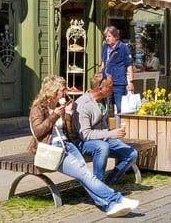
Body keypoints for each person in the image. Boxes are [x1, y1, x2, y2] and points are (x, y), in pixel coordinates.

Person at [29, 75, 137, 218]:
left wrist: (68, 114)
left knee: (85, 176)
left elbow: (69, 132)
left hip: (67, 145)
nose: (66, 92)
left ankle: (109, 206)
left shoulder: (60, 105)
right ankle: (117, 199)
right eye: (63, 90)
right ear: (53, 91)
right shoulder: (38, 108)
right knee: (85, 175)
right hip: (53, 149)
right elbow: (38, 131)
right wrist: (54, 115)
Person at [72, 74, 138, 185]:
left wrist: (112, 132)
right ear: (100, 89)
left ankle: (107, 184)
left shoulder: (105, 99)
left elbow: (104, 124)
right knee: (102, 147)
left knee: (131, 154)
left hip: (104, 138)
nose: (113, 89)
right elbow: (85, 135)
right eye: (111, 86)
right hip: (83, 142)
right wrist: (111, 134)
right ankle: (97, 186)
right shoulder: (83, 105)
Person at [100, 26, 134, 128]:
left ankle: (120, 128)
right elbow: (103, 63)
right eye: (106, 36)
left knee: (120, 108)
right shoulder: (105, 47)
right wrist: (101, 77)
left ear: (116, 37)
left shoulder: (123, 48)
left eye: (109, 36)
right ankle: (105, 129)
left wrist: (131, 82)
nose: (107, 38)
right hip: (106, 82)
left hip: (118, 82)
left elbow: (129, 65)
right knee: (104, 108)